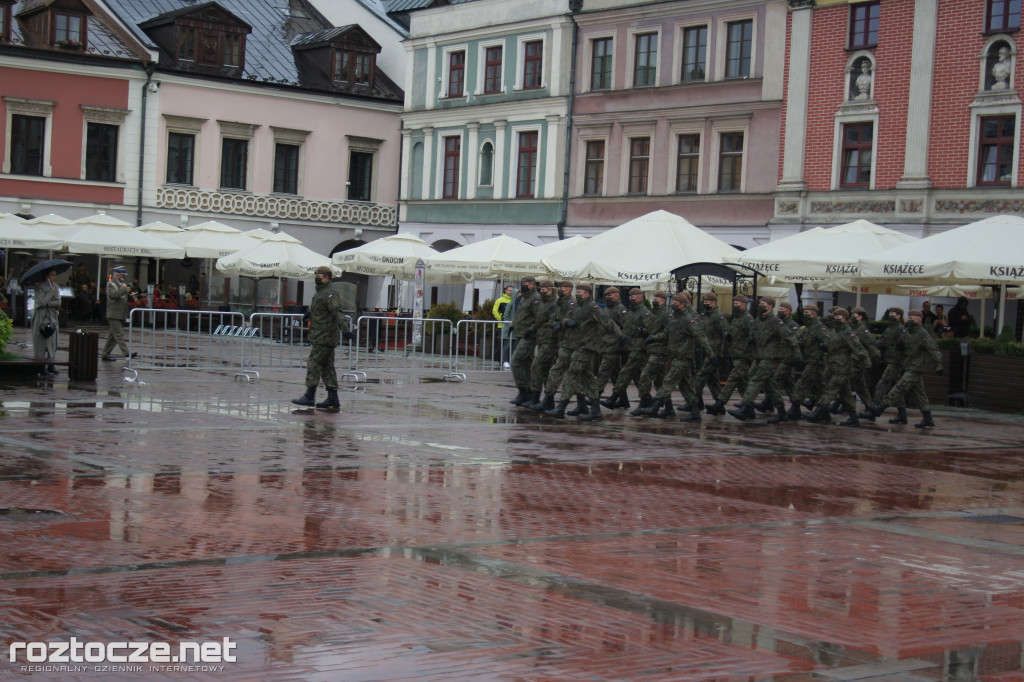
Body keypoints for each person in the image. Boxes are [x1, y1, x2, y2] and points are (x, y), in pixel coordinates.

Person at [728, 296, 801, 423]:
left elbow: (790, 337)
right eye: (760, 303)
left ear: (770, 306)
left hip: (770, 358)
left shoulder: (776, 322)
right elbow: (753, 336)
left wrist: (797, 355)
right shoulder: (758, 320)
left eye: (764, 304)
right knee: (769, 385)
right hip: (759, 357)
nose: (761, 305)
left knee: (756, 380)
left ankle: (746, 407)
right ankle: (782, 411)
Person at [292, 266, 354, 409]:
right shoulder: (321, 293)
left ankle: (309, 396)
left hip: (324, 337)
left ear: (326, 277)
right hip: (320, 335)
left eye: (318, 276)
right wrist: (310, 314)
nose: (316, 278)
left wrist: (345, 331)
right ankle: (333, 398)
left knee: (313, 363)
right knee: (327, 367)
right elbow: (322, 310)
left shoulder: (330, 293)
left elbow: (337, 312)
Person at [869, 309, 943, 428]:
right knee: (920, 394)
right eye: (909, 317)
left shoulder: (923, 334)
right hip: (908, 366)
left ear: (919, 319)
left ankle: (880, 407)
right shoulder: (907, 333)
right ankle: (927, 418)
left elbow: (933, 350)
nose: (910, 319)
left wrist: (938, 365)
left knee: (899, 387)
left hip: (916, 367)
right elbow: (898, 347)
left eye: (913, 317)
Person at [508, 276, 539, 405]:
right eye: (522, 283)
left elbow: (539, 317)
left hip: (529, 336)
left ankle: (524, 391)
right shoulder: (525, 297)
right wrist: (513, 326)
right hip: (520, 335)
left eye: (525, 283)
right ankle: (530, 393)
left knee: (515, 362)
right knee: (526, 364)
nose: (523, 285)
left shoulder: (535, 298)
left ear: (532, 284)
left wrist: (531, 330)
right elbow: (521, 315)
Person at [32, 267, 62, 375]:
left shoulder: (56, 287)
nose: (54, 277)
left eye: (55, 275)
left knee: (52, 341)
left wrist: (49, 303)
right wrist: (50, 293)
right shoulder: (40, 287)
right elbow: (41, 302)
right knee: (41, 341)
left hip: (53, 317)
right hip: (41, 317)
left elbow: (58, 302)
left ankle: (51, 364)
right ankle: (41, 366)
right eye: (52, 275)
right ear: (47, 276)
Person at [101, 266, 135, 361]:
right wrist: (124, 289)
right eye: (122, 275)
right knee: (119, 335)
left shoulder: (122, 285)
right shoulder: (111, 284)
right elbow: (114, 295)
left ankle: (105, 354)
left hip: (120, 314)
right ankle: (127, 354)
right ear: (117, 275)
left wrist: (131, 295)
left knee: (112, 336)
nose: (123, 277)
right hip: (113, 314)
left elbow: (123, 298)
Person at [493, 284, 515, 368]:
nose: (511, 292)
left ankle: (509, 360)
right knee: (504, 343)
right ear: (505, 291)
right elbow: (495, 311)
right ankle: (502, 360)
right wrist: (501, 320)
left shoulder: (515, 300)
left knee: (512, 343)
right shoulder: (500, 300)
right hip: (502, 325)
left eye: (512, 290)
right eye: (509, 290)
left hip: (512, 326)